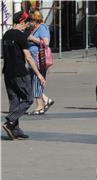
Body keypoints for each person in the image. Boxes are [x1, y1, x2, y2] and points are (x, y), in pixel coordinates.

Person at [2, 11, 46, 139]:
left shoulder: (6, 35)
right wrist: (39, 74)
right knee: (28, 98)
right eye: (27, 23)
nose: (27, 25)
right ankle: (10, 121)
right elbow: (28, 57)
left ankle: (15, 130)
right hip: (20, 72)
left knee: (14, 100)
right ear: (22, 22)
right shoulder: (21, 36)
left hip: (8, 72)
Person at [27, 10, 54, 115]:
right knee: (33, 81)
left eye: (31, 20)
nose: (29, 23)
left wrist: (33, 39)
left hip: (39, 58)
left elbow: (46, 42)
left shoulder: (42, 27)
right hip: (33, 58)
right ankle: (46, 100)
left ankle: (39, 106)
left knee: (37, 80)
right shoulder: (34, 29)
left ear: (36, 19)